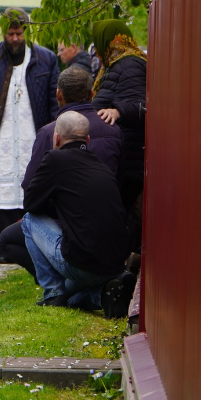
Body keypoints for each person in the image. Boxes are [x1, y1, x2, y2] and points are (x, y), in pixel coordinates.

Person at [0, 66, 123, 277]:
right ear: (92, 93)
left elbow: (31, 191)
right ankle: (90, 292)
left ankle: (54, 287)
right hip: (109, 229)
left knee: (16, 231)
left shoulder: (51, 133)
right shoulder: (113, 129)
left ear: (58, 94)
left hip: (66, 227)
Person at [21, 112, 133, 317]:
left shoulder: (55, 159)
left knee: (29, 220)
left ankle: (53, 294)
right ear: (87, 140)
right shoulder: (100, 165)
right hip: (115, 262)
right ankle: (102, 295)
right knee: (72, 299)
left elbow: (30, 203)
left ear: (56, 138)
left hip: (82, 266)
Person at [0, 9, 59, 262]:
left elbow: (54, 100)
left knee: (33, 186)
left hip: (34, 134)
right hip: (2, 135)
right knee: (0, 192)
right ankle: (1, 249)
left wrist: (54, 134)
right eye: (10, 34)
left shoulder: (46, 59)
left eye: (19, 33)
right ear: (3, 34)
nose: (15, 39)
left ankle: (34, 248)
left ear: (27, 32)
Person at [89, 19, 147, 242]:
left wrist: (117, 111)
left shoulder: (129, 63)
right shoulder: (114, 64)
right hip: (120, 155)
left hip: (127, 158)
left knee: (122, 218)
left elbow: (141, 104)